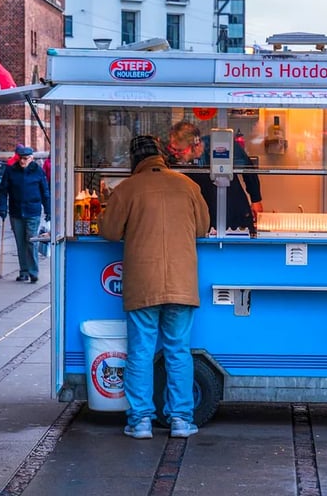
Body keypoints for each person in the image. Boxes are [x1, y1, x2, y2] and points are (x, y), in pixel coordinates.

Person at [99, 136, 210, 440]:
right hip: (181, 282)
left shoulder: (127, 190)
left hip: (143, 284)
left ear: (134, 161)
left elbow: (108, 232)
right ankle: (181, 420)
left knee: (140, 352)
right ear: (162, 156)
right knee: (178, 351)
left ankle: (140, 422)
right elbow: (202, 228)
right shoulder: (188, 185)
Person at [166, 121, 263, 234]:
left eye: (180, 151)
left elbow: (248, 169)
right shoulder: (176, 162)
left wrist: (256, 200)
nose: (176, 155)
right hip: (204, 214)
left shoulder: (220, 146)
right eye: (173, 149)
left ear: (196, 146)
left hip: (233, 209)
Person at [0, 145, 50, 283]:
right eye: (20, 158)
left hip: (33, 211)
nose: (22, 161)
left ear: (31, 158)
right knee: (20, 243)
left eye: (25, 158)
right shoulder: (11, 171)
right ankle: (24, 271)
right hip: (16, 211)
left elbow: (45, 192)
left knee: (31, 241)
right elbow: (2, 191)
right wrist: (2, 208)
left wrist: (48, 210)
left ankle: (33, 272)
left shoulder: (38, 171)